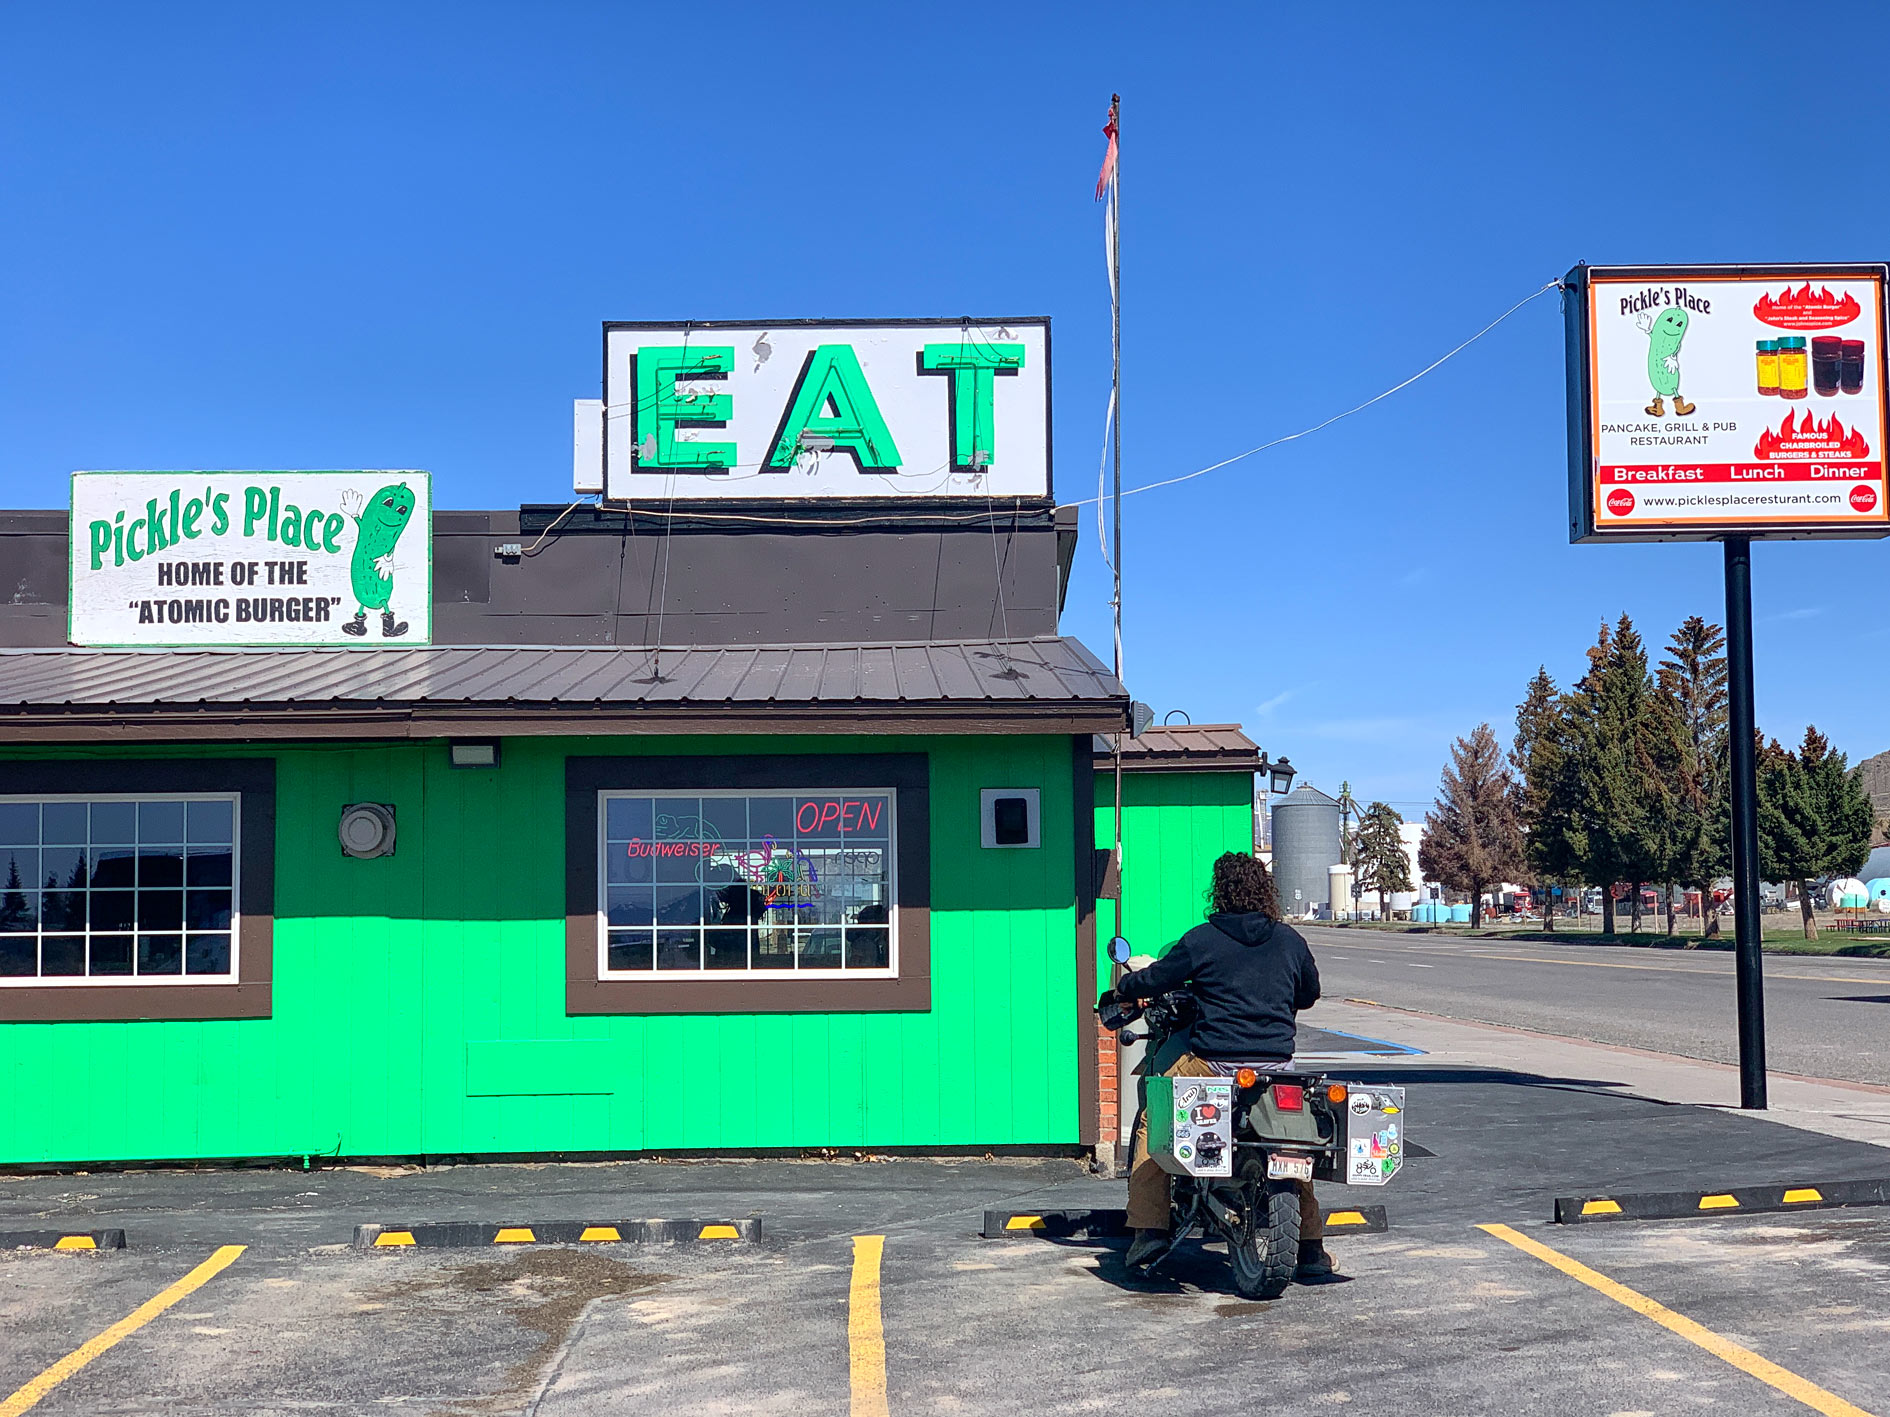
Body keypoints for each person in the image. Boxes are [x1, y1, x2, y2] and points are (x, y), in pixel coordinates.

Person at [1114, 851, 1331, 1278]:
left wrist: (1127, 985)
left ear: (1221, 891)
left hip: (1213, 1065)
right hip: (1275, 1068)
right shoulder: (1290, 940)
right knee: (1293, 1150)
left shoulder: (1202, 940)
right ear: (1265, 892)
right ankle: (1310, 1248)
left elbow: (1157, 978)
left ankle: (1149, 1230)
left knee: (1154, 1121)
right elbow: (1309, 993)